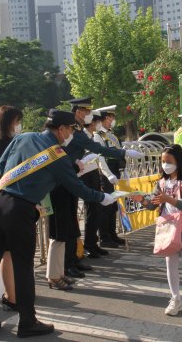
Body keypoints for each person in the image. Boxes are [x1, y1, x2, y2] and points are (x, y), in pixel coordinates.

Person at [0, 109, 117, 338]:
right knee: (23, 267)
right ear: (61, 129)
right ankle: (27, 321)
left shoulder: (24, 137)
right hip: (19, 209)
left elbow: (0, 165)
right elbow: (76, 187)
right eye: (70, 129)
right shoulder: (57, 154)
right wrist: (103, 197)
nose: (71, 134)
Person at [49, 98, 144, 279]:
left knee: (72, 223)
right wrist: (124, 153)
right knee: (67, 224)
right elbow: (96, 148)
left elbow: (95, 149)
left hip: (72, 177)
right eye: (86, 112)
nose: (89, 116)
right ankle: (67, 264)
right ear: (77, 112)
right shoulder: (73, 131)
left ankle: (74, 260)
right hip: (64, 181)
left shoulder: (76, 130)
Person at [131, 144, 182, 316]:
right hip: (167, 227)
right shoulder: (161, 183)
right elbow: (152, 205)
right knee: (170, 263)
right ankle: (176, 299)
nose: (165, 164)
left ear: (178, 162)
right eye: (163, 161)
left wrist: (169, 199)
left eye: (169, 161)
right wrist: (141, 200)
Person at [0, 105, 23, 310]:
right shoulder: (7, 145)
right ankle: (12, 296)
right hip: (8, 201)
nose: (19, 126)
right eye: (17, 121)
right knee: (9, 254)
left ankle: (11, 294)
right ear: (10, 122)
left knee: (5, 253)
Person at [94, 105, 126, 248]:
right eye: (111, 118)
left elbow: (118, 152)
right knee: (105, 206)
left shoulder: (111, 134)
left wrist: (123, 169)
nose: (113, 121)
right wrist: (108, 174)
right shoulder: (98, 136)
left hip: (115, 171)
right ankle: (104, 237)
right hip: (105, 173)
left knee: (113, 205)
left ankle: (112, 234)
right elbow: (101, 158)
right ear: (106, 118)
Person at [81, 110, 110, 258]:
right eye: (97, 121)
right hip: (85, 176)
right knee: (91, 211)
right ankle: (88, 245)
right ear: (92, 123)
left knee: (96, 211)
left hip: (93, 174)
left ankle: (93, 243)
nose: (98, 124)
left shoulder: (92, 136)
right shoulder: (83, 136)